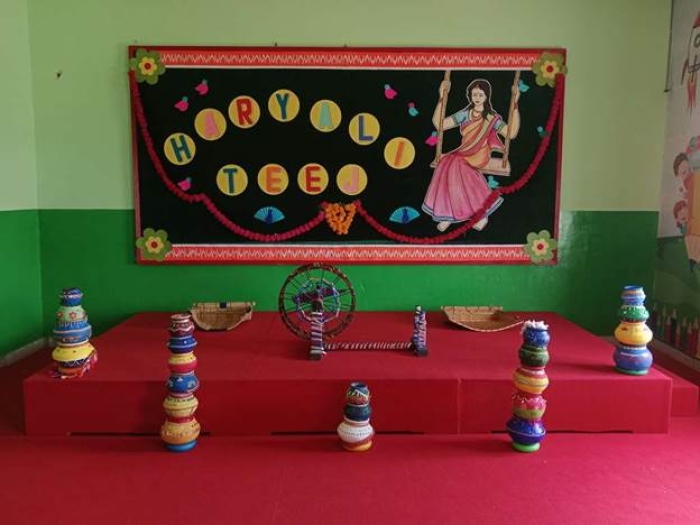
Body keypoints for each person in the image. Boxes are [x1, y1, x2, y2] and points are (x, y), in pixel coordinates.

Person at [422, 78, 520, 232]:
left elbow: (511, 133)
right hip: (464, 151)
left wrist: (515, 104)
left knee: (456, 163)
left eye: (481, 95)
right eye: (475, 94)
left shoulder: (491, 118)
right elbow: (440, 124)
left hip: (479, 153)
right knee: (445, 161)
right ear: (470, 96)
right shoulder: (465, 114)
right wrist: (441, 97)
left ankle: (481, 214)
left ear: (486, 96)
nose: (477, 98)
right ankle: (447, 213)